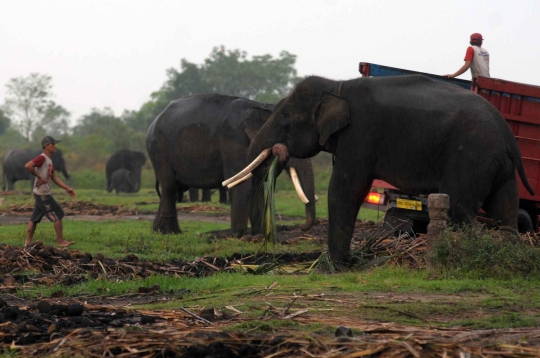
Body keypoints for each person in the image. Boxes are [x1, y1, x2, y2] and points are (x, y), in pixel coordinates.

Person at [24, 136, 76, 247]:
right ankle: (60, 241)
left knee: (35, 218)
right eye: (53, 144)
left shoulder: (49, 161)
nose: (55, 146)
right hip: (42, 193)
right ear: (47, 145)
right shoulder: (42, 158)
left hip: (41, 193)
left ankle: (27, 242)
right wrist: (39, 176)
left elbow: (54, 177)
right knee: (58, 213)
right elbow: (28, 166)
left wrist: (67, 188)